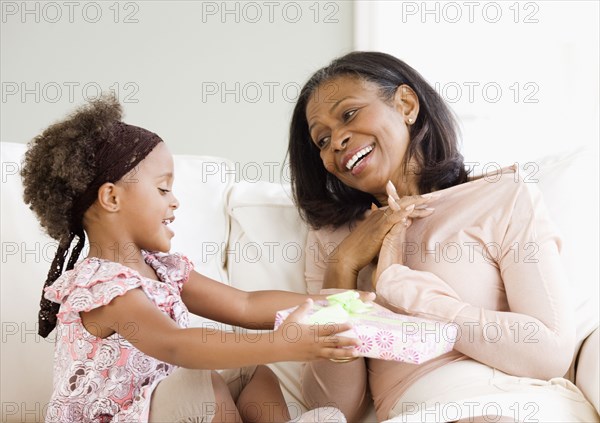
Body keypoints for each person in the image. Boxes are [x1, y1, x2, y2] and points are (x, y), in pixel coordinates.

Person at [287, 51, 599, 422]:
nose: (336, 140)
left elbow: (548, 351)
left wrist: (409, 292)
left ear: (406, 104)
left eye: (349, 114)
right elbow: (333, 409)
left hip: (518, 405)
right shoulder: (333, 240)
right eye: (321, 139)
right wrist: (342, 268)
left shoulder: (502, 196)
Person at [21, 96, 362, 423]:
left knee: (249, 372)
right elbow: (175, 346)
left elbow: (244, 305)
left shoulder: (162, 269)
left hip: (170, 408)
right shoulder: (103, 288)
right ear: (111, 197)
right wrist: (278, 344)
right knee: (199, 382)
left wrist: (325, 302)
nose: (175, 202)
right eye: (162, 189)